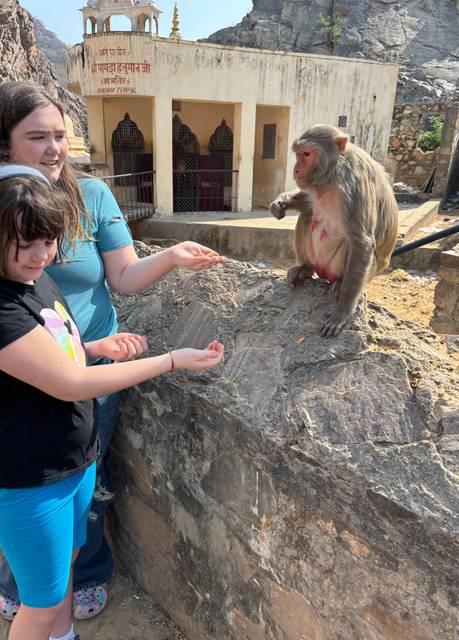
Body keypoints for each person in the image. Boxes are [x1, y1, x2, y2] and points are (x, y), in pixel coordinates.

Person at [0, 81, 227, 621]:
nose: (54, 149)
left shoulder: (93, 196)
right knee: (29, 488)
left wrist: (170, 256)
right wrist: (172, 360)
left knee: (86, 480)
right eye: (37, 137)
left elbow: (122, 276)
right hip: (22, 373)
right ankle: (31, 590)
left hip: (91, 358)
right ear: (6, 145)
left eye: (61, 135)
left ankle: (84, 575)